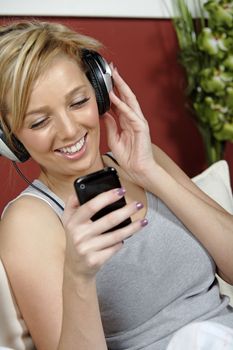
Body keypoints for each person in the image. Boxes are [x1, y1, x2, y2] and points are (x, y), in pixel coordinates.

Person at [0, 20, 232, 350]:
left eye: (78, 102)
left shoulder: (146, 160)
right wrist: (79, 277)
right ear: (11, 140)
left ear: (99, 91)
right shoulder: (29, 222)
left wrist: (152, 174)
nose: (68, 130)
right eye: (39, 121)